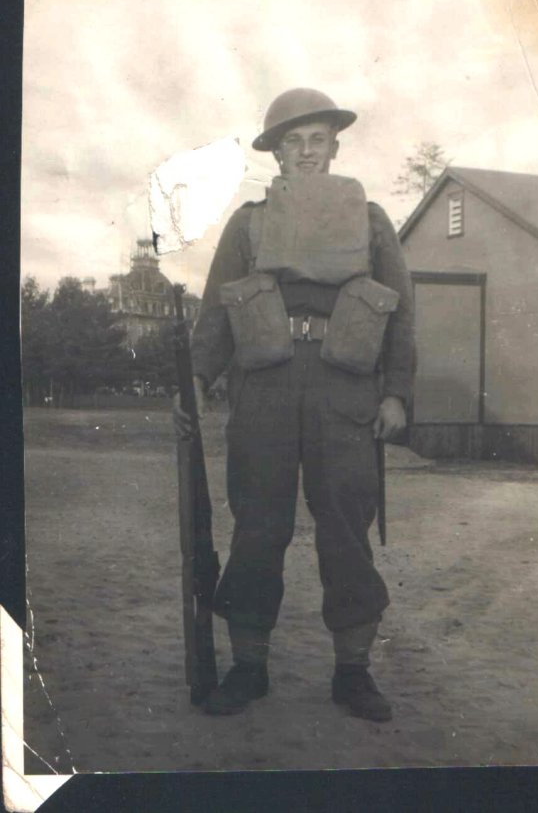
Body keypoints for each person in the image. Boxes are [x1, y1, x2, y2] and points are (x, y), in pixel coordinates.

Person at [176, 88, 415, 722]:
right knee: (258, 526)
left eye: (317, 140)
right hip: (266, 390)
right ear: (276, 154)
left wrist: (396, 392)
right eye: (293, 142)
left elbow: (401, 312)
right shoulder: (248, 225)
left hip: (346, 391)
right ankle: (248, 668)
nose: (306, 151)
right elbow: (216, 309)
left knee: (346, 528)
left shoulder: (372, 222)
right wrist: (196, 378)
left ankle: (353, 673)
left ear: (334, 148)